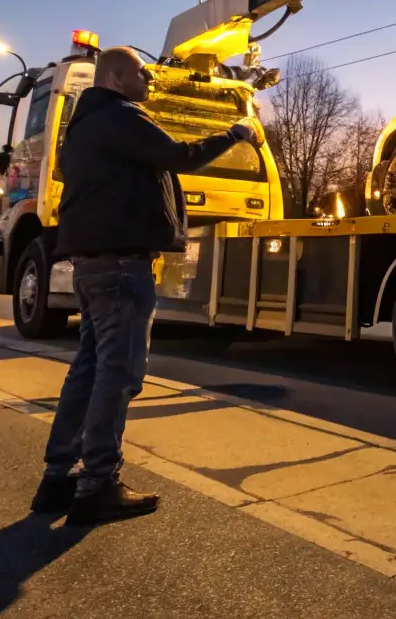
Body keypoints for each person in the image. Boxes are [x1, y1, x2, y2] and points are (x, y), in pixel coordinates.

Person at [30, 46, 262, 525]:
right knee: (118, 375)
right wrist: (237, 133)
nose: (149, 80)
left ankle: (58, 478)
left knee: (89, 369)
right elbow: (180, 156)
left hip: (94, 267)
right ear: (116, 79)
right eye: (141, 73)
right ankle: (98, 484)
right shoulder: (120, 117)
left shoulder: (85, 128)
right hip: (121, 268)